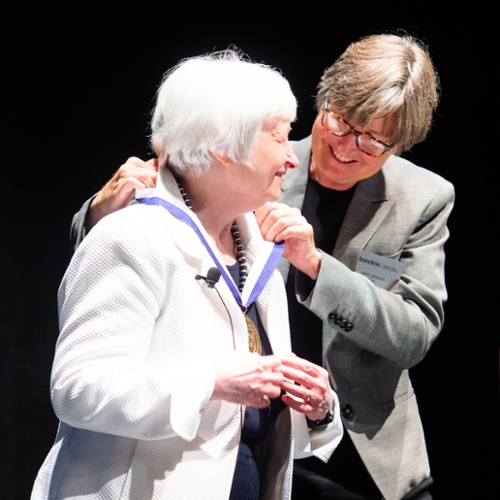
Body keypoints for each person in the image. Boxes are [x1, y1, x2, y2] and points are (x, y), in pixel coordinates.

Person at [70, 34, 455, 500]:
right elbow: (130, 239)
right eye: (340, 121)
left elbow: (412, 336)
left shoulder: (424, 199)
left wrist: (315, 266)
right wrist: (98, 212)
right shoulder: (251, 167)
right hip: (234, 439)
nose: (348, 147)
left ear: (399, 147)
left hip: (361, 448)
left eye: (374, 141)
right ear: (324, 99)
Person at [32, 50, 343, 500]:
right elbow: (77, 389)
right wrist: (212, 380)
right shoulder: (131, 237)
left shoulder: (259, 255)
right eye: (278, 138)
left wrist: (316, 408)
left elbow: (245, 418)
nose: (293, 159)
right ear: (221, 146)